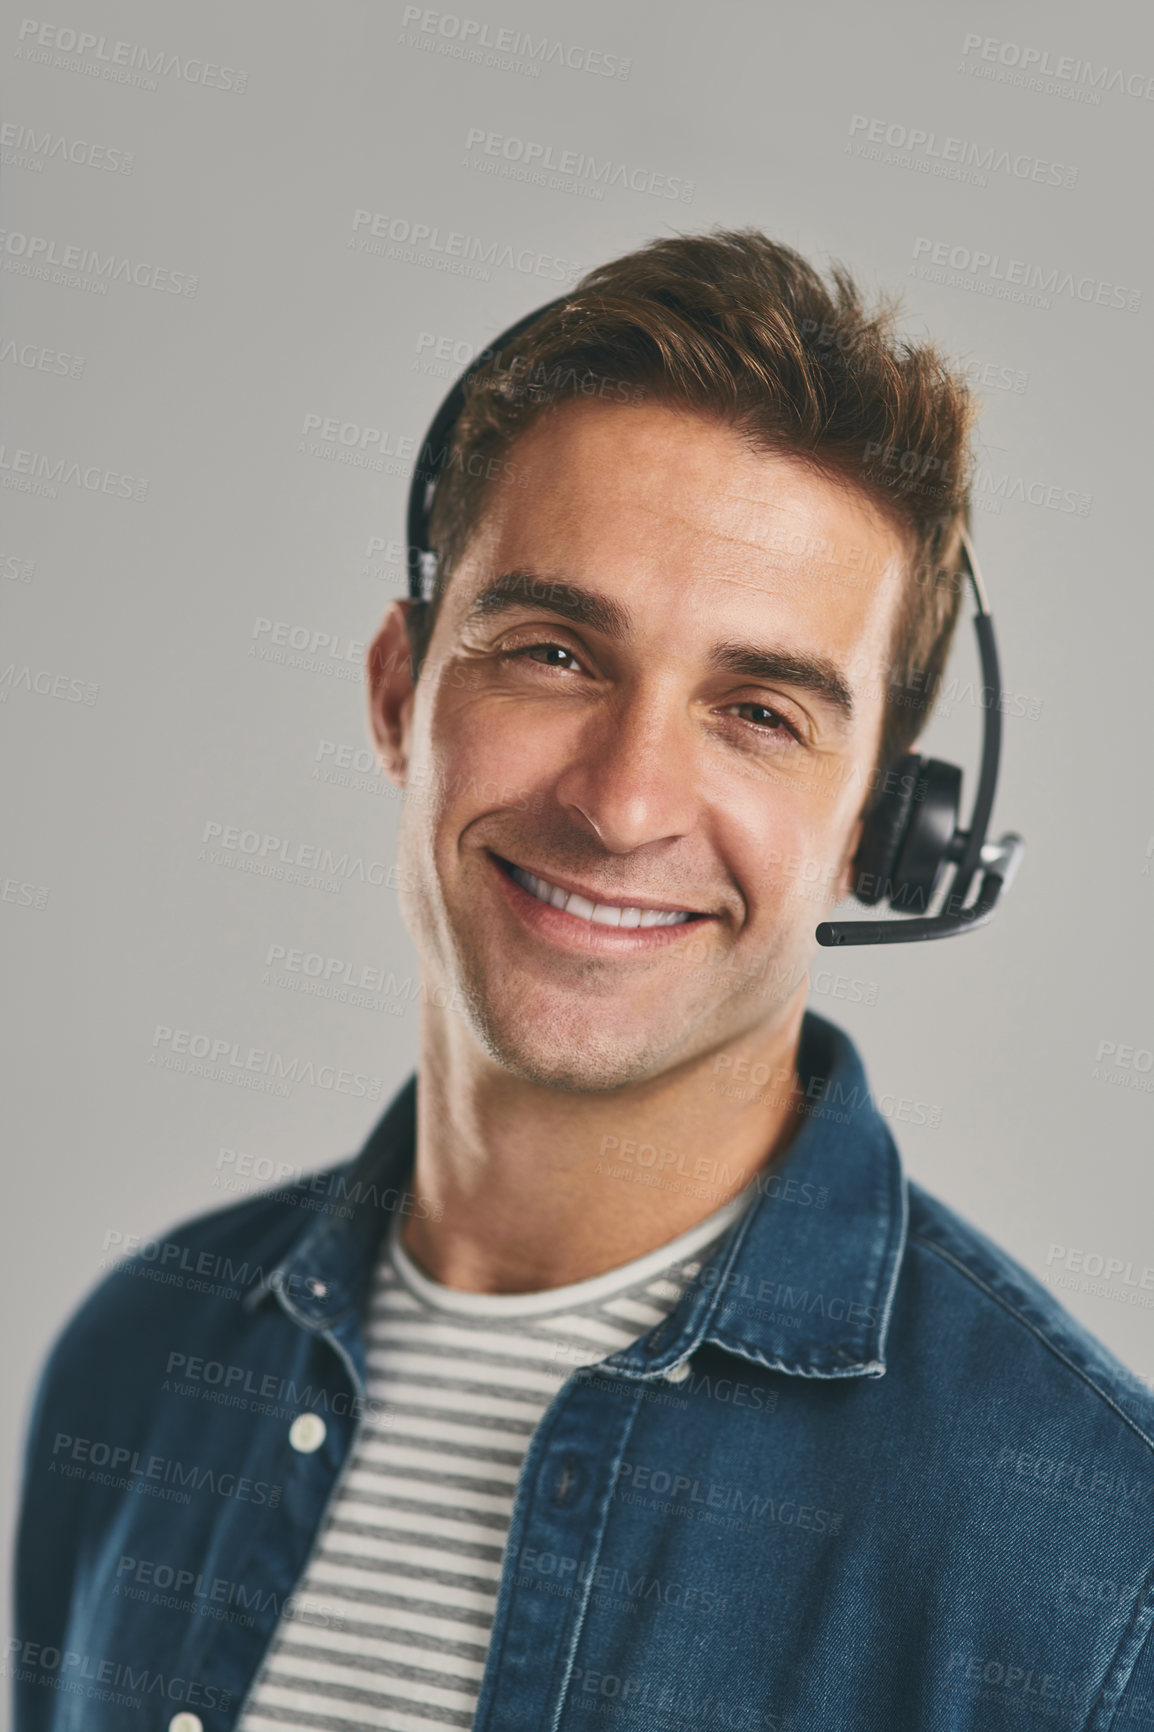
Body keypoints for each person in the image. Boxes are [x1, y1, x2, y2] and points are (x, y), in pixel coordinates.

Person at [14, 229, 1154, 1732]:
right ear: (397, 692)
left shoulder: (1090, 1560)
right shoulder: (140, 1362)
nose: (622, 804)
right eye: (552, 653)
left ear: (879, 831)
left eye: (756, 711)